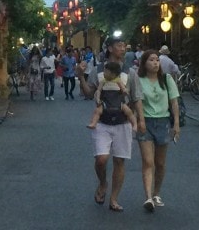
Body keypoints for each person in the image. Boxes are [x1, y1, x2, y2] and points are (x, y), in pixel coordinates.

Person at [77, 36, 143, 212]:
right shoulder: (98, 70)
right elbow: (89, 93)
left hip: (122, 121)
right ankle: (103, 183)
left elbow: (136, 98)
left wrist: (140, 121)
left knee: (120, 161)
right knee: (101, 159)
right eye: (120, 45)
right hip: (103, 122)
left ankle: (114, 198)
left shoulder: (130, 72)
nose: (123, 48)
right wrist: (80, 76)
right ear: (110, 48)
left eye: (124, 45)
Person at [135, 49, 181, 212]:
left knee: (160, 163)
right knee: (148, 161)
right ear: (144, 64)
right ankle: (148, 197)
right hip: (145, 122)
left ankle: (156, 193)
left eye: (157, 60)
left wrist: (176, 123)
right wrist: (139, 121)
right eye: (151, 60)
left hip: (163, 122)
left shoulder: (166, 79)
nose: (155, 63)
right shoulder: (139, 80)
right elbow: (137, 101)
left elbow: (174, 102)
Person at [87, 61, 137, 131]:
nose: (103, 73)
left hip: (118, 100)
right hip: (106, 100)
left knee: (129, 111)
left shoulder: (118, 80)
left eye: (106, 72)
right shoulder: (103, 81)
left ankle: (134, 124)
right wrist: (98, 98)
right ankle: (94, 122)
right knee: (97, 111)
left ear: (113, 74)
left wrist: (125, 91)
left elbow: (123, 88)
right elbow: (98, 90)